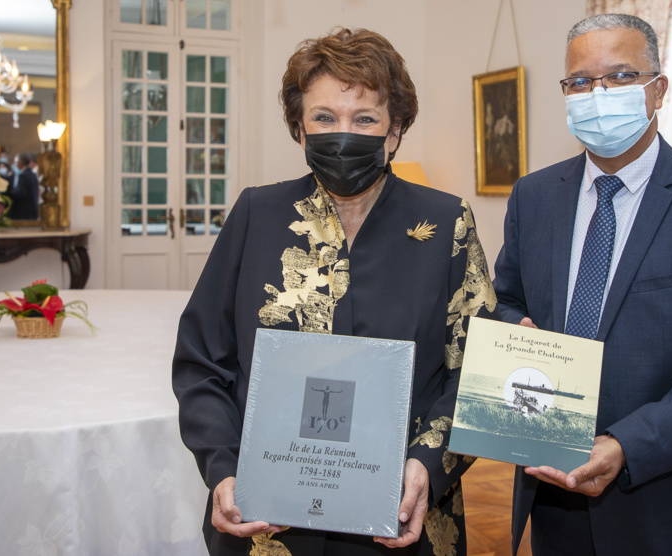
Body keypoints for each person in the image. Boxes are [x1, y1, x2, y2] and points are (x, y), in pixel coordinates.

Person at [173, 27, 497, 556]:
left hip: (400, 517)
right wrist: (223, 468)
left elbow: (477, 371)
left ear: (394, 132)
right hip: (267, 522)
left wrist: (428, 466)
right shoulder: (256, 214)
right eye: (324, 118)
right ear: (300, 129)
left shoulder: (445, 223)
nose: (343, 133)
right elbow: (202, 362)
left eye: (364, 118)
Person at [492, 14, 672, 555]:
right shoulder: (534, 197)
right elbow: (507, 301)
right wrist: (516, 332)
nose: (597, 94)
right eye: (580, 81)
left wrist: (625, 445)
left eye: (620, 77)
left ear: (659, 89)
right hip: (555, 498)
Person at [10, 153, 39, 220]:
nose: (15, 164)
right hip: (32, 210)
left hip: (24, 211)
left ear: (21, 163)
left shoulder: (23, 175)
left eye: (16, 162)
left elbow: (20, 193)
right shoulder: (32, 174)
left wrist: (11, 193)